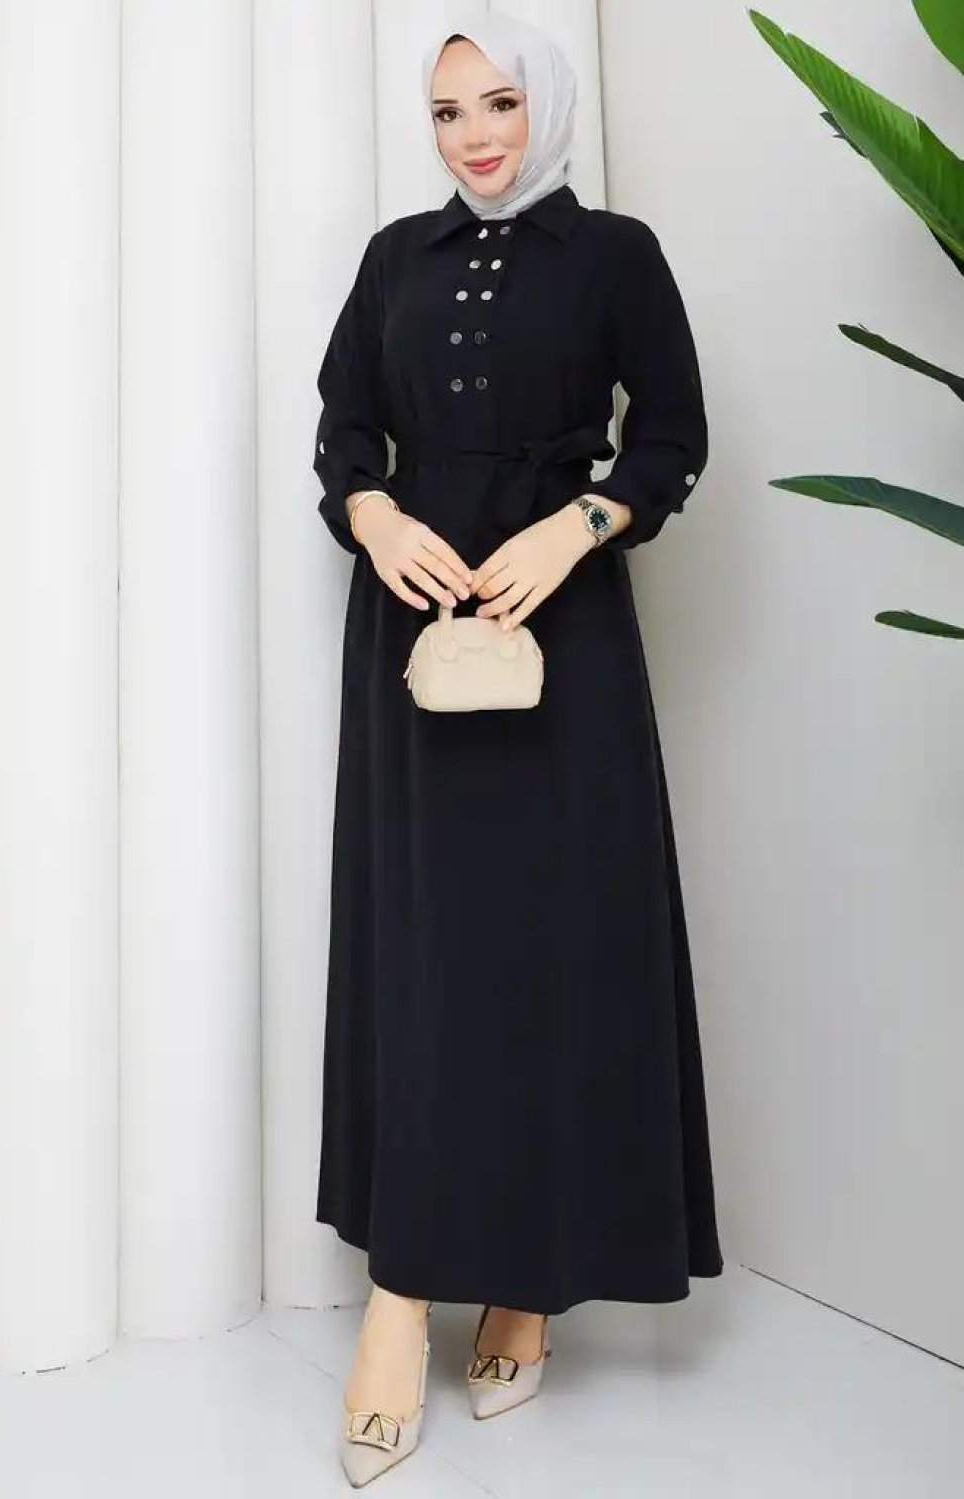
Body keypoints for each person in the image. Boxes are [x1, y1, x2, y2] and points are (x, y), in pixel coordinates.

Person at [311, 12, 724, 1487]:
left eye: (497, 103)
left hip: (569, 645)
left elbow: (671, 437)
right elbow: (344, 432)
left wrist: (581, 524)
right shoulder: (394, 261)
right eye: (446, 113)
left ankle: (528, 1284)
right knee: (427, 958)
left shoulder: (615, 254)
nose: (475, 135)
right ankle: (399, 1296)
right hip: (416, 641)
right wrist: (374, 514)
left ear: (542, 106)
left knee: (551, 953)